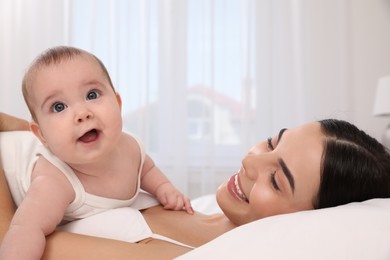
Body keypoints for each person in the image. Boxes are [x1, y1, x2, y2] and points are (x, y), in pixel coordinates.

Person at [1, 113, 390, 258]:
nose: (250, 161)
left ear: (308, 218)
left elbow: (11, 237)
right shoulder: (193, 206)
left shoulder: (177, 255)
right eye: (272, 142)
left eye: (276, 180)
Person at [0, 47, 193, 260]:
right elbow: (25, 229)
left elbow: (146, 169)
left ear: (118, 104)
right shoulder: (54, 181)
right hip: (6, 159)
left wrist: (164, 188)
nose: (82, 113)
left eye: (92, 95)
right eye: (58, 107)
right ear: (42, 135)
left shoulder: (130, 148)